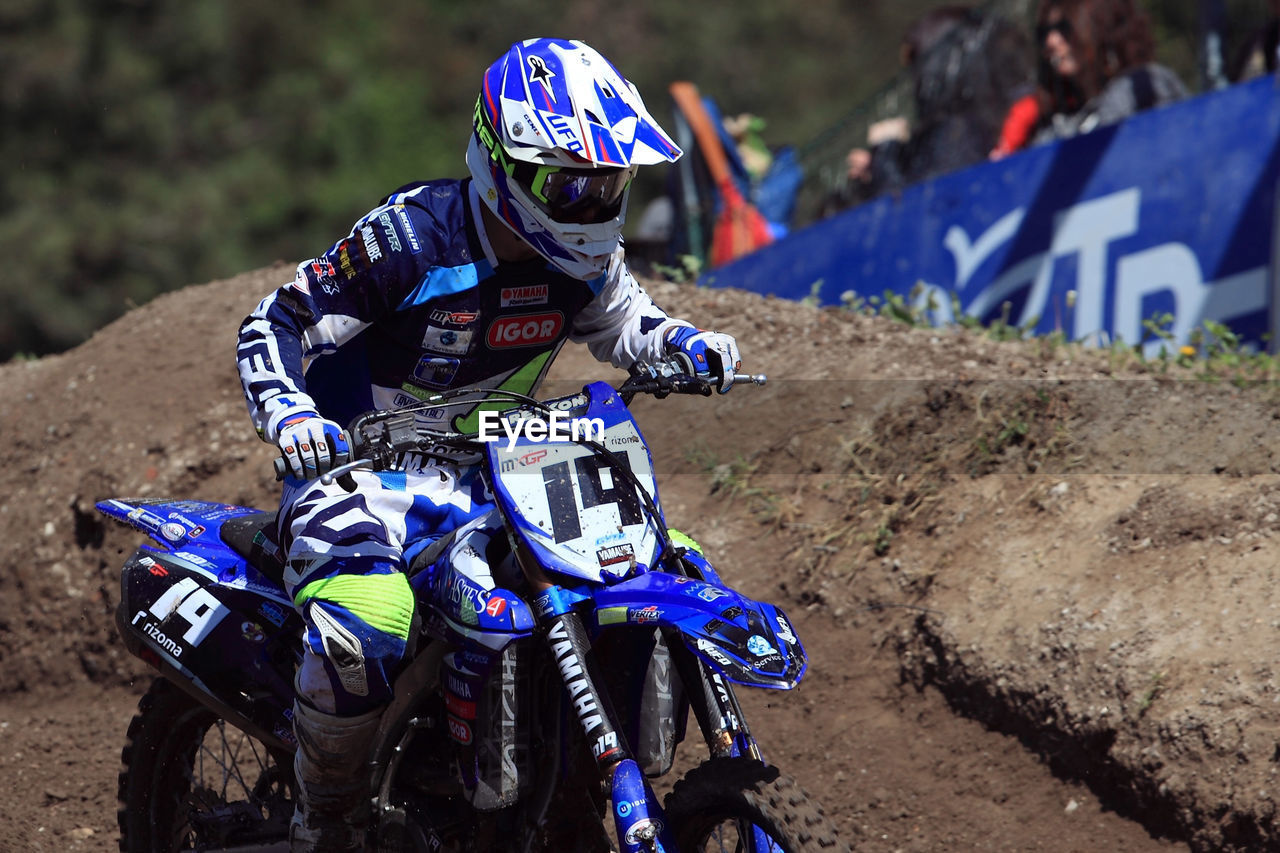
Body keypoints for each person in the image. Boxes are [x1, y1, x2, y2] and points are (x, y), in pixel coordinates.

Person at [235, 37, 741, 852]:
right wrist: (291, 416)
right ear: (506, 164)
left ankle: (556, 788)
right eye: (573, 185)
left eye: (610, 184)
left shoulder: (583, 262)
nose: (594, 203)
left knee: (648, 567)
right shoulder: (412, 238)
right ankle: (324, 819)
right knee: (368, 619)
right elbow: (276, 320)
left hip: (499, 473)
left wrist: (683, 343)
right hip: (358, 474)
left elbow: (628, 325)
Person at [822, 5, 1033, 212]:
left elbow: (913, 212)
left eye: (916, 62)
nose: (915, 81)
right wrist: (877, 169)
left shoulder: (959, 132)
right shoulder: (983, 121)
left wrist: (886, 149)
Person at [991, 0, 1189, 158]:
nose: (1051, 41)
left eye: (1064, 28)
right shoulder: (1050, 120)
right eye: (1044, 33)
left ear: (1101, 27)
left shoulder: (1145, 86)